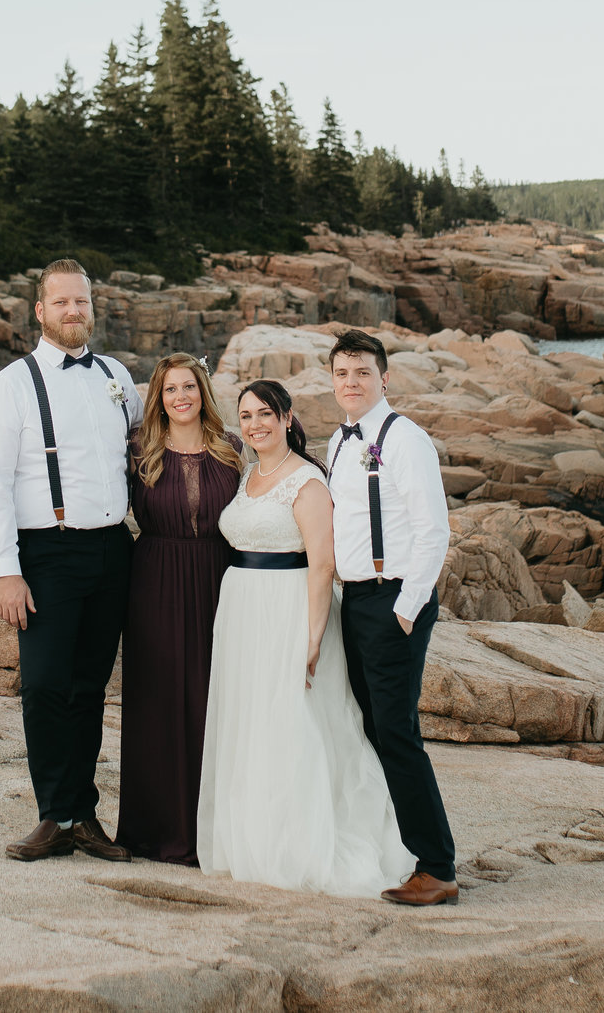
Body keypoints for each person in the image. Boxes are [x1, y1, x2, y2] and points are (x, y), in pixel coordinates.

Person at [196, 378, 412, 897]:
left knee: (294, 722)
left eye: (266, 414)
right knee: (251, 723)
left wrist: (313, 636)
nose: (255, 425)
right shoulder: (248, 475)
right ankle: (254, 836)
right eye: (245, 416)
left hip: (290, 609)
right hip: (244, 611)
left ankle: (301, 843)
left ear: (288, 417)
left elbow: (322, 564)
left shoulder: (308, 481)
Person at [0, 259, 141, 863]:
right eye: (62, 303)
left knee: (90, 689)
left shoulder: (117, 375)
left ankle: (84, 816)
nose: (75, 312)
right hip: (46, 551)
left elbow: (140, 454)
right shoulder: (13, 384)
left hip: (111, 550)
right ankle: (54, 815)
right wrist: (6, 569)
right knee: (45, 685)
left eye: (83, 302)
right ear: (40, 311)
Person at [324, 329, 459, 905]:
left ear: (385, 379)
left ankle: (437, 866)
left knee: (398, 732)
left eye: (361, 373)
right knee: (375, 728)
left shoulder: (406, 440)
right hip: (354, 601)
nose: (351, 383)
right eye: (341, 374)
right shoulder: (337, 440)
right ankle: (404, 848)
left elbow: (434, 529)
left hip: (393, 600)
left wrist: (407, 609)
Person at [114, 353, 240, 864]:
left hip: (219, 580)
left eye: (188, 387)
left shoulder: (231, 448)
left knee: (213, 702)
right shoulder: (138, 449)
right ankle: (155, 829)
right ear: (158, 398)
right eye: (169, 390)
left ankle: (212, 828)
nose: (180, 397)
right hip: (155, 581)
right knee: (158, 702)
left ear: (202, 392)